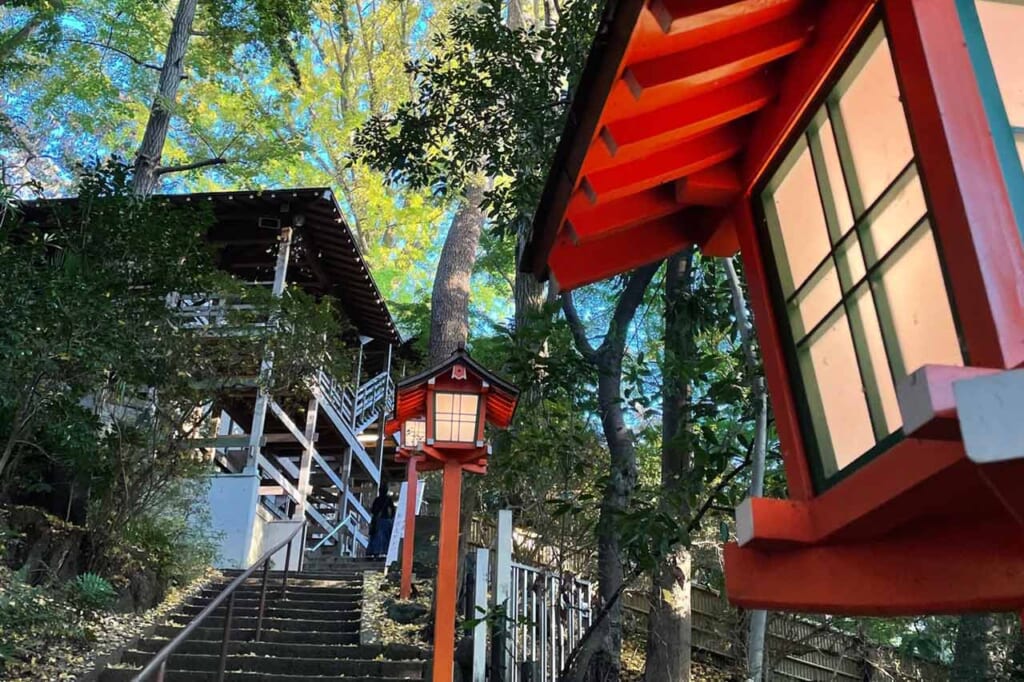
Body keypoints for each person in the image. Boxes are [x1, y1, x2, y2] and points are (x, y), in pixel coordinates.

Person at [367, 487, 395, 558]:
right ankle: (384, 552)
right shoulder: (388, 500)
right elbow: (392, 511)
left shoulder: (377, 500)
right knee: (385, 537)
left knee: (375, 537)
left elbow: (373, 510)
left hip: (377, 521)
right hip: (386, 520)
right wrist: (391, 518)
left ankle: (373, 552)